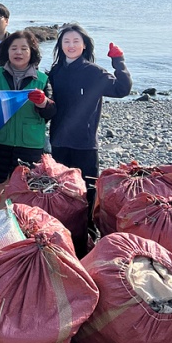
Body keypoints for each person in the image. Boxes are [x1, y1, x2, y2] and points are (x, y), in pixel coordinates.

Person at [47, 24, 132, 222]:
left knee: (88, 190)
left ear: (84, 45)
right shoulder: (55, 72)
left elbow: (122, 89)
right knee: (60, 189)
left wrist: (118, 60)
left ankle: (88, 229)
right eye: (66, 41)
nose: (71, 45)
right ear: (60, 45)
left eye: (76, 41)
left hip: (85, 143)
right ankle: (63, 228)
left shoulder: (93, 72)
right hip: (59, 140)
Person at [0, 30, 56, 185]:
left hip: (30, 145)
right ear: (7, 51)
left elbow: (51, 111)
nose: (19, 52)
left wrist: (43, 103)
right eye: (14, 48)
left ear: (32, 52)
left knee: (26, 190)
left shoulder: (43, 79)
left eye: (24, 48)